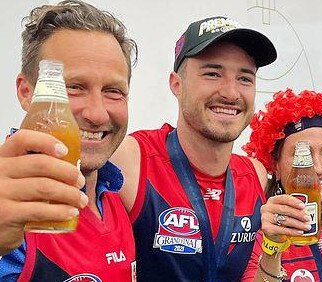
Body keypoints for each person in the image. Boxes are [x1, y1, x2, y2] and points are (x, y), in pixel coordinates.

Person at [110, 16, 277, 281]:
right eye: (212, 73)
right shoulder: (131, 159)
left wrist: (274, 250)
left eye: (245, 78)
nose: (231, 93)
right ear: (177, 84)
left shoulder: (254, 174)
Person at [0, 1, 137, 281]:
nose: (97, 114)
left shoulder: (114, 195)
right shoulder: (11, 209)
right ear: (26, 92)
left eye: (113, 91)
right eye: (72, 87)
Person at [241, 88, 322, 281]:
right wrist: (272, 248)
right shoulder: (255, 228)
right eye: (301, 154)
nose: (317, 168)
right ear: (275, 165)